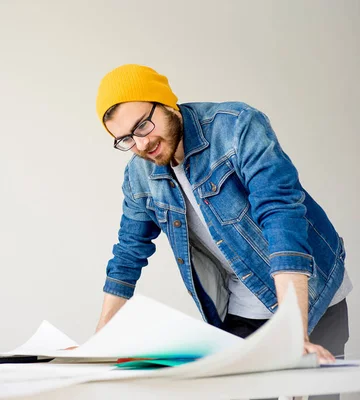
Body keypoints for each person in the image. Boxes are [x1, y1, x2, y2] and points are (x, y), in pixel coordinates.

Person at [94, 64, 352, 371]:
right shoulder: (140, 175)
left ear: (165, 102)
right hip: (243, 309)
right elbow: (128, 254)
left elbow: (281, 214)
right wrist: (99, 343)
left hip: (311, 294)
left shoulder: (236, 127)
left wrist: (292, 329)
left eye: (143, 126)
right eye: (125, 139)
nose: (141, 144)